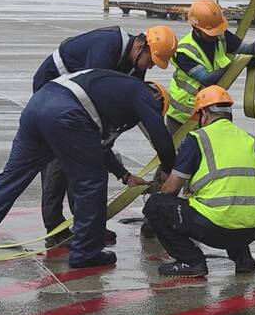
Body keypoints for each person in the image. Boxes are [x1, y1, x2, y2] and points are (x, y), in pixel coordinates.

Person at [0, 69, 177, 269]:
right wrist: (169, 169)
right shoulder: (142, 92)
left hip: (37, 106)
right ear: (156, 98)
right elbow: (161, 137)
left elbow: (100, 147)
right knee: (91, 183)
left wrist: (125, 176)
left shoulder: (110, 91)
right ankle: (85, 254)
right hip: (65, 113)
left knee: (10, 180)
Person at [32, 25, 177, 247]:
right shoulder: (106, 46)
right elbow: (93, 96)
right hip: (52, 96)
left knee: (87, 161)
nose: (150, 66)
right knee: (59, 163)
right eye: (151, 60)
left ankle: (87, 227)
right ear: (140, 45)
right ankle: (55, 228)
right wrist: (168, 163)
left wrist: (127, 175)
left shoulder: (136, 70)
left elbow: (111, 137)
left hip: (76, 104)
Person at [144, 85, 255, 277]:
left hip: (217, 227)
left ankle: (190, 261)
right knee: (234, 205)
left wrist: (164, 183)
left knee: (156, 205)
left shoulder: (197, 138)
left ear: (204, 113)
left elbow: (170, 190)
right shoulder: (249, 140)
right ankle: (243, 259)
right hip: (253, 227)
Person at [166, 0, 255, 135]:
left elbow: (248, 49)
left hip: (207, 113)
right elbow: (207, 79)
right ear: (196, 28)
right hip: (183, 118)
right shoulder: (184, 51)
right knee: (183, 155)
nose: (215, 35)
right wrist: (237, 64)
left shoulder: (220, 35)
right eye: (211, 32)